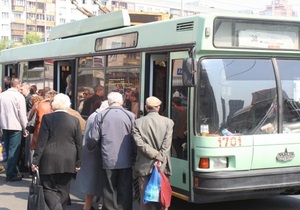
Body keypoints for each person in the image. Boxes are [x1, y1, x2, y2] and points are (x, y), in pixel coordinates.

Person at [31, 93, 82, 210]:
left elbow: (42, 141)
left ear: (54, 104)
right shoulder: (75, 120)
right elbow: (79, 143)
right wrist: (79, 162)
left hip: (49, 158)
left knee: (48, 188)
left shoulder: (48, 118)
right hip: (69, 159)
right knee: (64, 189)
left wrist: (35, 161)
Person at [89, 92, 135, 210]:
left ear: (109, 102)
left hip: (108, 157)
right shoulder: (130, 115)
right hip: (126, 159)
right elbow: (135, 137)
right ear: (121, 102)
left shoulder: (101, 115)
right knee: (125, 188)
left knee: (109, 189)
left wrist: (90, 147)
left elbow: (94, 137)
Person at [132, 96, 174, 210]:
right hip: (162, 166)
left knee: (145, 199)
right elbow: (167, 144)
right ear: (158, 108)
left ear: (146, 108)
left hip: (144, 167)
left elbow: (140, 144)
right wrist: (160, 158)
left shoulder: (137, 123)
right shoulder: (168, 122)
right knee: (162, 199)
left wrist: (155, 155)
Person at [76, 100, 109, 210]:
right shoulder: (98, 117)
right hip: (95, 152)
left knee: (92, 181)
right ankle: (88, 206)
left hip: (90, 152)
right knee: (96, 181)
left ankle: (88, 205)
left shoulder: (93, 116)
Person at [0, 78, 28, 182]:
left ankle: (14, 170)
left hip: (4, 125)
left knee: (8, 149)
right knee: (14, 150)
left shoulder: (2, 95)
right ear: (17, 86)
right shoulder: (19, 96)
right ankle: (11, 173)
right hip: (15, 126)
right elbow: (22, 115)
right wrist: (25, 127)